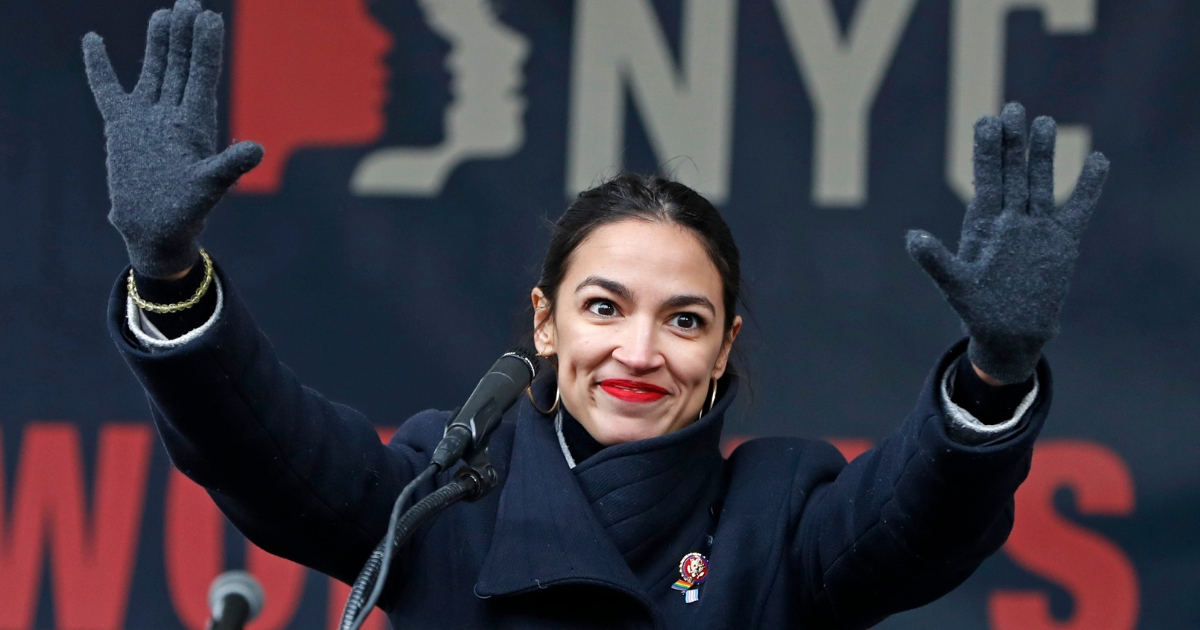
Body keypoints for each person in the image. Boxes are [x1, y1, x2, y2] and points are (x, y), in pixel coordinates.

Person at [82, 2, 1109, 629]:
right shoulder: (441, 493)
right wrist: (168, 272)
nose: (639, 350)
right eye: (605, 306)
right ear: (545, 324)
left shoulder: (781, 514)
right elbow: (262, 443)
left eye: (685, 321)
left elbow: (918, 518)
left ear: (724, 350)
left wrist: (993, 376)